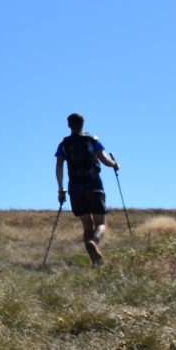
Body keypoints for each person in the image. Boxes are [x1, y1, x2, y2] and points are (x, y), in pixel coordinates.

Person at [55, 112, 119, 266]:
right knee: (101, 224)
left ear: (69, 124)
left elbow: (58, 167)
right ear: (82, 123)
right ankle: (95, 243)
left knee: (87, 226)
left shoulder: (64, 144)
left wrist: (61, 190)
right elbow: (104, 160)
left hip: (75, 189)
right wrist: (115, 164)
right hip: (93, 186)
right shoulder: (92, 141)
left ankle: (95, 262)